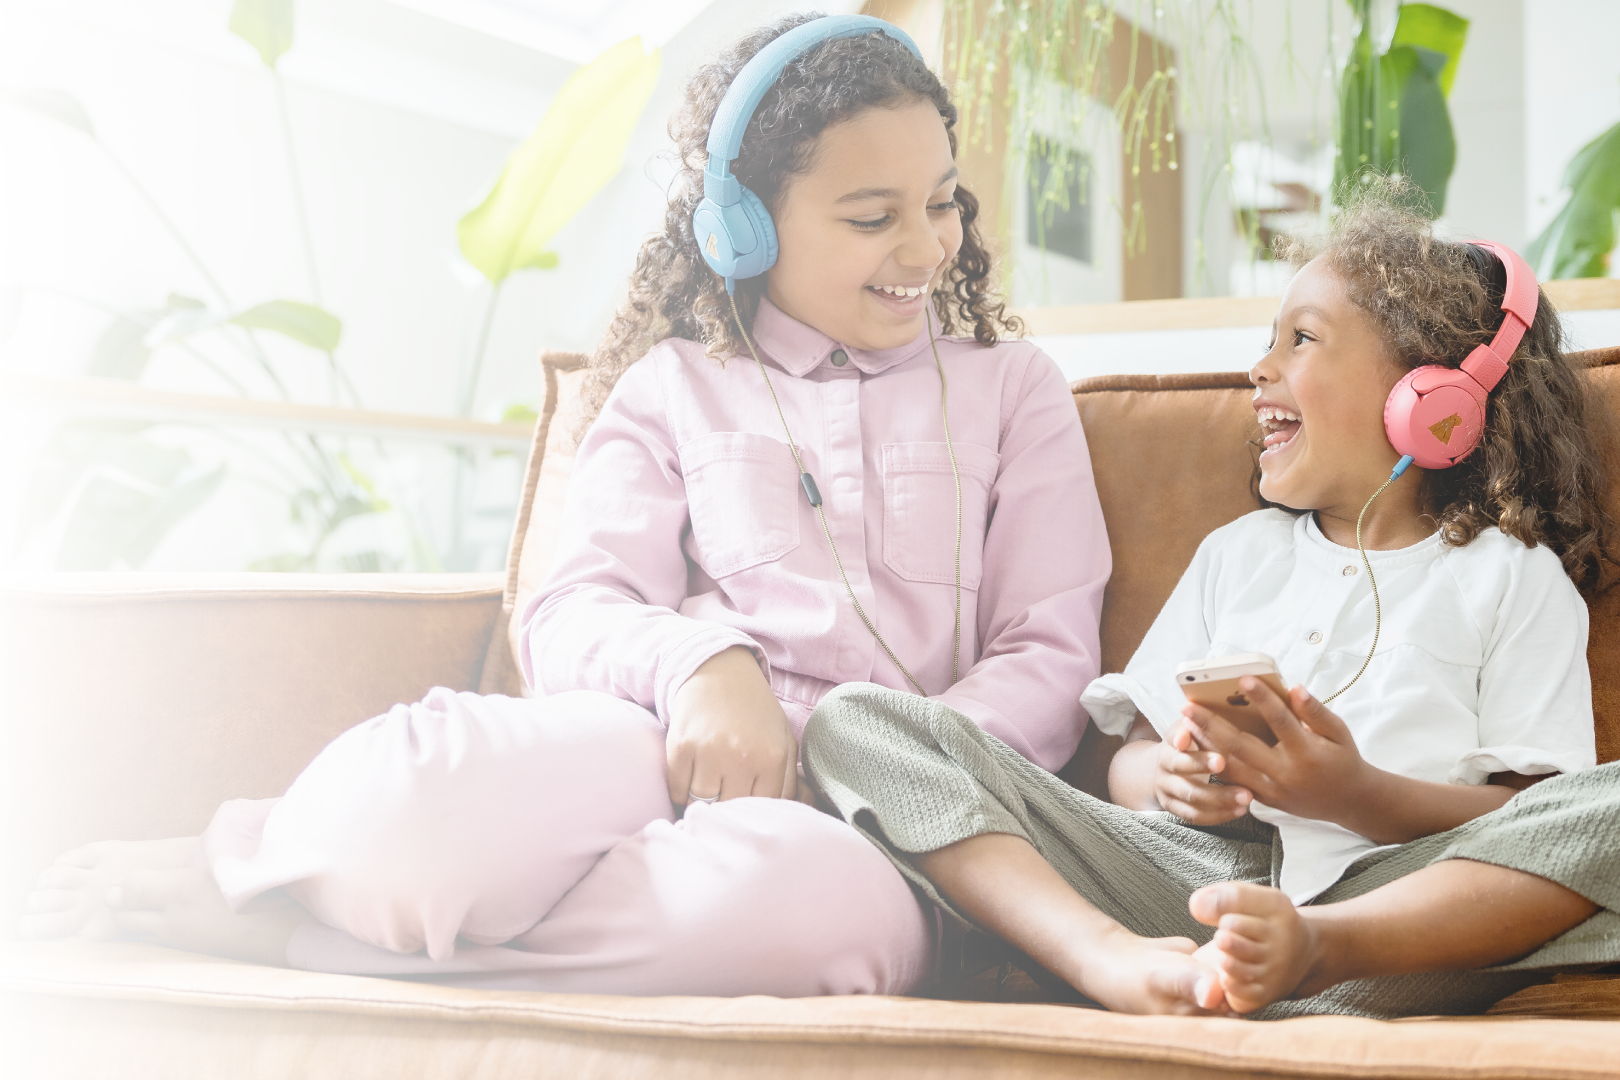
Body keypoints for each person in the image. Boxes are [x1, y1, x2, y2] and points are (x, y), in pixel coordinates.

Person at [20, 14, 1111, 998]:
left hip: (872, 827)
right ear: (745, 227)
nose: (925, 247)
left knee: (805, 918)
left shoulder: (1012, 393)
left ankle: (302, 935)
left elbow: (1049, 658)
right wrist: (702, 666)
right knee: (413, 801)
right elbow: (572, 611)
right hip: (647, 748)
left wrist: (869, 761)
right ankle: (268, 854)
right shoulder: (673, 389)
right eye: (875, 217)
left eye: (940, 202)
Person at [803, 178, 1620, 1018]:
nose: (1259, 368)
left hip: (1401, 913)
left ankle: (1313, 954)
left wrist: (1354, 796)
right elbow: (1130, 760)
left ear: (1432, 397)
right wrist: (1171, 779)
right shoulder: (1237, 555)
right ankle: (1111, 960)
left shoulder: (1510, 576)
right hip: (1190, 893)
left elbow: (1537, 817)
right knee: (858, 720)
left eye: (1301, 339)